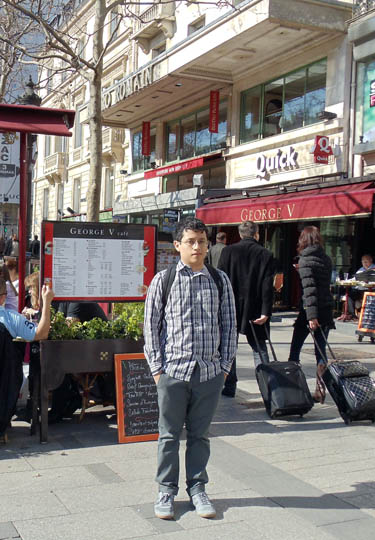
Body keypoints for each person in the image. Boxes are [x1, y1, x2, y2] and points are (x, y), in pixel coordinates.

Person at [144, 217, 237, 521]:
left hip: (209, 373)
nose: (197, 247)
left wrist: (224, 367)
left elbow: (230, 326)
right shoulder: (163, 280)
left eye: (202, 241)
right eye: (190, 241)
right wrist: (158, 370)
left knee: (201, 435)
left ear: (208, 245)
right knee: (168, 436)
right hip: (173, 371)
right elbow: (151, 328)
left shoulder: (220, 280)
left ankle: (198, 488)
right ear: (177, 246)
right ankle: (166, 490)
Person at [217, 221, 276, 397]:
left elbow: (220, 279)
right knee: (259, 348)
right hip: (255, 307)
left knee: (228, 347)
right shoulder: (265, 254)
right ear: (256, 234)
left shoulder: (228, 251)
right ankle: (268, 389)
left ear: (240, 234)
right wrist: (266, 310)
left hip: (231, 306)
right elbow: (267, 285)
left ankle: (229, 385)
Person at [287, 226, 335, 400]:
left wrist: (311, 316)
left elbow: (309, 289)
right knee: (320, 351)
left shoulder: (305, 260)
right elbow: (320, 284)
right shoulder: (326, 258)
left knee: (295, 350)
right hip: (327, 308)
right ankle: (320, 390)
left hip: (310, 310)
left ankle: (293, 388)